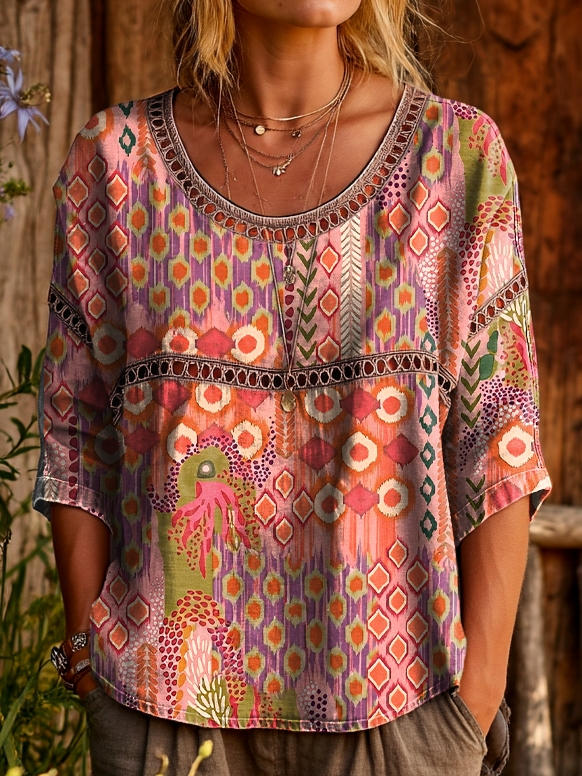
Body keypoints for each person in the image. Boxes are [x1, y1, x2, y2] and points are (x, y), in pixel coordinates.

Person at [34, 1, 552, 774]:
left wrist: (474, 700)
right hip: (160, 713)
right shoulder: (116, 164)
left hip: (400, 712)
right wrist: (87, 659)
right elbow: (76, 430)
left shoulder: (455, 158)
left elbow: (500, 435)